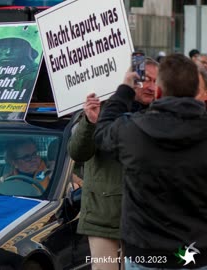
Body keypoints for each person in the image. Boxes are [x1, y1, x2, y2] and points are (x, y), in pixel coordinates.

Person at [95, 53, 207, 269]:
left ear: (158, 92)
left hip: (146, 254)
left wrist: (125, 89)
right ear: (197, 92)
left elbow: (102, 133)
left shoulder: (130, 130)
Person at [69, 59, 158, 270]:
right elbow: (78, 153)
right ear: (130, 79)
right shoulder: (103, 110)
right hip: (103, 215)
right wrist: (90, 123)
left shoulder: (161, 115)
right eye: (146, 80)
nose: (152, 87)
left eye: (156, 81)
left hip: (145, 217)